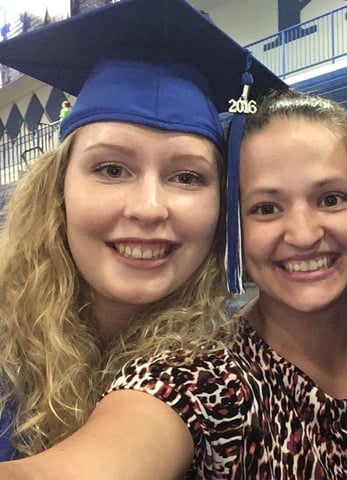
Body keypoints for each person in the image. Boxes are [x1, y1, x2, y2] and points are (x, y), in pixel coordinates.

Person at [0, 88, 347, 478]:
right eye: (265, 207)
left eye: (331, 198)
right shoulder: (199, 381)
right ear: (233, 229)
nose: (303, 234)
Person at [0, 0, 282, 462]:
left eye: (187, 177)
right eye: (112, 169)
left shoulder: (236, 370)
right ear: (58, 189)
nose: (150, 208)